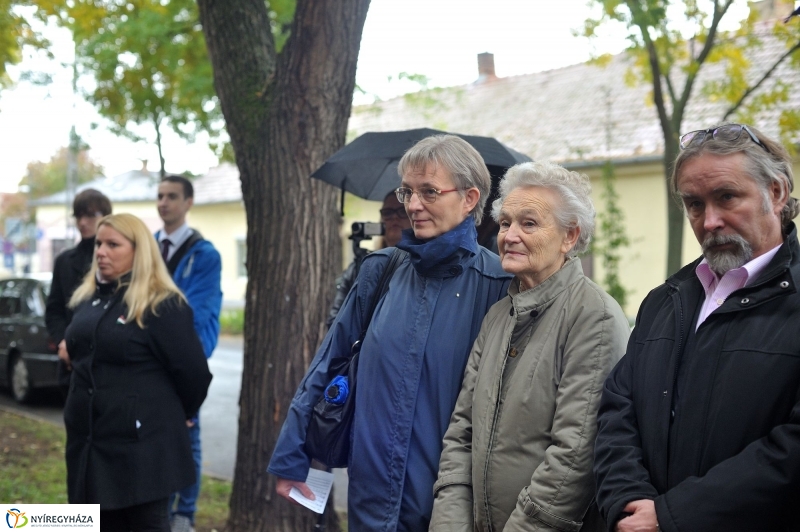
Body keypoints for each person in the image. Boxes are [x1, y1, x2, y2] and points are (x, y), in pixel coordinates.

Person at [269, 134, 513, 530]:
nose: (413, 206)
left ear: (469, 199)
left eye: (429, 192)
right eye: (408, 192)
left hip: (452, 504)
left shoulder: (500, 283)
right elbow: (328, 362)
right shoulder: (380, 270)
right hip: (371, 493)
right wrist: (292, 454)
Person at [594, 123, 800, 532]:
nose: (709, 221)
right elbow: (619, 409)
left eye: (726, 197)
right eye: (693, 204)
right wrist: (629, 501)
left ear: (775, 193)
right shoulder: (665, 300)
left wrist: (674, 516)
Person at [430, 162, 630, 531]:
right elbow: (461, 433)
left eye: (529, 223)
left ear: (570, 237)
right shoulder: (498, 315)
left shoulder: (594, 316)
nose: (510, 235)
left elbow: (574, 454)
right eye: (505, 223)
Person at [63, 213, 212, 532]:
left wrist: (175, 413)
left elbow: (194, 374)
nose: (100, 251)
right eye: (99, 244)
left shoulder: (162, 304)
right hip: (89, 451)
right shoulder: (89, 299)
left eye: (113, 244)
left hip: (141, 456)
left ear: (139, 251)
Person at [154, 175, 222, 532]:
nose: (164, 203)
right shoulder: (147, 248)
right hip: (150, 366)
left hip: (184, 364)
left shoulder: (204, 254)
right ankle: (160, 511)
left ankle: (185, 514)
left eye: (172, 196)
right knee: (156, 439)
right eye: (160, 196)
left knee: (187, 438)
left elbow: (196, 315)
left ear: (189, 202)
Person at [45, 188, 112, 388]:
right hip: (71, 362)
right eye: (78, 216)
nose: (82, 222)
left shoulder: (119, 258)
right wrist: (62, 342)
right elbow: (54, 310)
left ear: (106, 216)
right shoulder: (64, 261)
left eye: (90, 215)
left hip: (107, 361)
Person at [325, 191, 412, 327]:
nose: (394, 218)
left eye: (402, 211)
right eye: (387, 212)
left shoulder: (422, 266)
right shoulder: (363, 266)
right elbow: (335, 322)